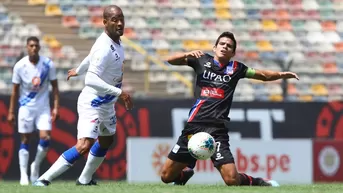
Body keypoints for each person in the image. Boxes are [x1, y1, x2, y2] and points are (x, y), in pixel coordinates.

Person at [161, 31, 299, 186]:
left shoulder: (236, 68)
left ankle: (257, 182)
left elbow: (262, 75)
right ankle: (183, 175)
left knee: (231, 180)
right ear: (214, 47)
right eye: (222, 44)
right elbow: (170, 60)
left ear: (233, 53)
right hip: (194, 127)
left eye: (229, 46)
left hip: (217, 130)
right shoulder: (200, 59)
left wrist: (281, 74)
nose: (225, 47)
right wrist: (187, 53)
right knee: (166, 177)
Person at [33, 5, 133, 186]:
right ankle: (43, 179)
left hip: (106, 103)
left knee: (106, 140)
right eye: (114, 20)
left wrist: (78, 70)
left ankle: (84, 179)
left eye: (121, 19)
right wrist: (120, 93)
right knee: (84, 145)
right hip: (93, 102)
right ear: (104, 22)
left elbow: (90, 57)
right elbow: (91, 80)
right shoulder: (104, 47)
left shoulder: (114, 41)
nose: (119, 23)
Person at [7, 36, 60, 185]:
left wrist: (56, 107)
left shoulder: (48, 64)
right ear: (27, 47)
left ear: (39, 48)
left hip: (43, 107)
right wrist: (11, 111)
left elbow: (55, 87)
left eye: (36, 46)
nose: (34, 48)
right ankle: (23, 175)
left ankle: (35, 165)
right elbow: (14, 90)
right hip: (25, 107)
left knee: (45, 138)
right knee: (25, 139)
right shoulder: (19, 66)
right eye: (31, 46)